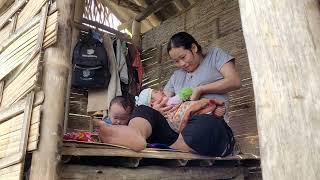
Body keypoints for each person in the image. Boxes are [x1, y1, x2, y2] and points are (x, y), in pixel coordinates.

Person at [96, 32, 241, 156]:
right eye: (176, 61)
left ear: (194, 48)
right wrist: (157, 109)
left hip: (211, 126)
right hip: (178, 131)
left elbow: (234, 81)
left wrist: (201, 89)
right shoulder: (177, 76)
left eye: (183, 57)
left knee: (204, 123)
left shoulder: (215, 56)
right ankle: (135, 135)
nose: (181, 64)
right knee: (144, 110)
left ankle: (175, 146)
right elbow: (163, 99)